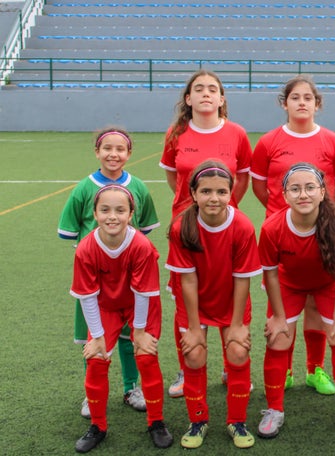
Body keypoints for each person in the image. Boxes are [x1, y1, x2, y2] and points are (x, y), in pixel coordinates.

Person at [251, 75, 335, 397]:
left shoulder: (334, 141)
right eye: (295, 97)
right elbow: (259, 187)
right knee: (285, 303)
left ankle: (314, 369)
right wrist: (286, 214)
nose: (302, 102)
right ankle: (288, 370)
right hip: (284, 235)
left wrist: (318, 215)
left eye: (308, 97)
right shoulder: (268, 142)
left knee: (314, 305)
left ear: (317, 104)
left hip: (322, 233)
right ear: (285, 103)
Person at [160, 69, 253, 398]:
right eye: (198, 89)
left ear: (222, 98)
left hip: (224, 227)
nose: (205, 94)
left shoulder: (238, 133)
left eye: (212, 89)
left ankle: (232, 367)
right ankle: (188, 369)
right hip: (185, 229)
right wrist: (192, 209)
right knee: (185, 299)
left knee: (228, 294)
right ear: (188, 98)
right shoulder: (176, 134)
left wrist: (221, 207)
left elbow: (240, 180)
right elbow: (176, 180)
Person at [58, 127, 160, 419]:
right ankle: (92, 395)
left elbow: (147, 227)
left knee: (131, 335)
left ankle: (131, 387)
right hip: (95, 276)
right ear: (97, 152)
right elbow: (67, 230)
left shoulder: (138, 186)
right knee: (94, 338)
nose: (113, 154)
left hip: (130, 275)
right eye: (107, 148)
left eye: (120, 149)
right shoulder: (83, 188)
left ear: (129, 154)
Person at [257, 163, 335, 439]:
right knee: (278, 337)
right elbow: (270, 275)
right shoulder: (272, 228)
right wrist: (279, 317)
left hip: (329, 284)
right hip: (287, 285)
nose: (303, 194)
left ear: (322, 192)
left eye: (309, 188)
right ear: (284, 195)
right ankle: (274, 409)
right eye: (295, 189)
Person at [165, 162, 261, 449]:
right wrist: (194, 328)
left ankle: (237, 421)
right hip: (194, 301)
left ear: (231, 193)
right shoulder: (182, 227)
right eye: (205, 191)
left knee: (238, 352)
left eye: (221, 191)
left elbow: (242, 279)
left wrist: (236, 325)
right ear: (193, 193)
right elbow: (188, 281)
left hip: (231, 299)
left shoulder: (242, 225)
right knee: (194, 355)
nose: (214, 198)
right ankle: (198, 421)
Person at [70, 185, 171, 452]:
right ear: (94, 213)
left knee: (146, 356)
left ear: (131, 214)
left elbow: (143, 291)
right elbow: (88, 296)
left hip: (142, 303)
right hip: (105, 305)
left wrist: (139, 332)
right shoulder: (86, 248)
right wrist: (98, 337)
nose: (112, 216)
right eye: (104, 210)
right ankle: (98, 426)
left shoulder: (141, 246)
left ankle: (156, 421)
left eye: (120, 210)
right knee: (96, 359)